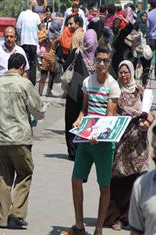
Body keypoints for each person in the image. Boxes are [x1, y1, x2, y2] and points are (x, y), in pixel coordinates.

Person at [62, 45, 121, 235]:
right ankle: (79, 225)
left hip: (103, 142)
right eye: (98, 60)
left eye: (105, 60)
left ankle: (98, 229)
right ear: (93, 61)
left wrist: (99, 134)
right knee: (76, 180)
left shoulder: (112, 85)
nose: (101, 64)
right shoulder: (88, 82)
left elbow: (110, 116)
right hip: (86, 139)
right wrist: (80, 119)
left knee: (104, 186)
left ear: (109, 62)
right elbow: (84, 109)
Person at [0, 53, 45, 229]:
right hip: (20, 138)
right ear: (21, 68)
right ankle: (17, 213)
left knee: (2, 178)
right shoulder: (25, 84)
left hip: (0, 138)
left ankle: (2, 218)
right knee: (25, 173)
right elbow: (38, 110)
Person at [104, 60, 154, 231]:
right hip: (120, 142)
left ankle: (133, 218)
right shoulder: (114, 91)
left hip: (138, 143)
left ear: (132, 73)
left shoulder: (140, 91)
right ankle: (117, 217)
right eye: (121, 72)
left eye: (126, 72)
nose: (123, 75)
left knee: (137, 180)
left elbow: (149, 113)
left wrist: (148, 121)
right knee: (119, 179)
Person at [64, 28, 98, 161]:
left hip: (74, 91)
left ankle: (72, 151)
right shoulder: (98, 56)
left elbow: (66, 65)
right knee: (85, 120)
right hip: (89, 92)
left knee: (71, 120)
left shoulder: (77, 52)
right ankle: (83, 149)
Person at [16, 0, 41, 86]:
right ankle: (32, 83)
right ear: (32, 4)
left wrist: (22, 35)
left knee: (24, 62)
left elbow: (18, 28)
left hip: (24, 42)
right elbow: (40, 28)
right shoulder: (36, 16)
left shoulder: (22, 14)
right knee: (33, 63)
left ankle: (24, 81)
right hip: (33, 43)